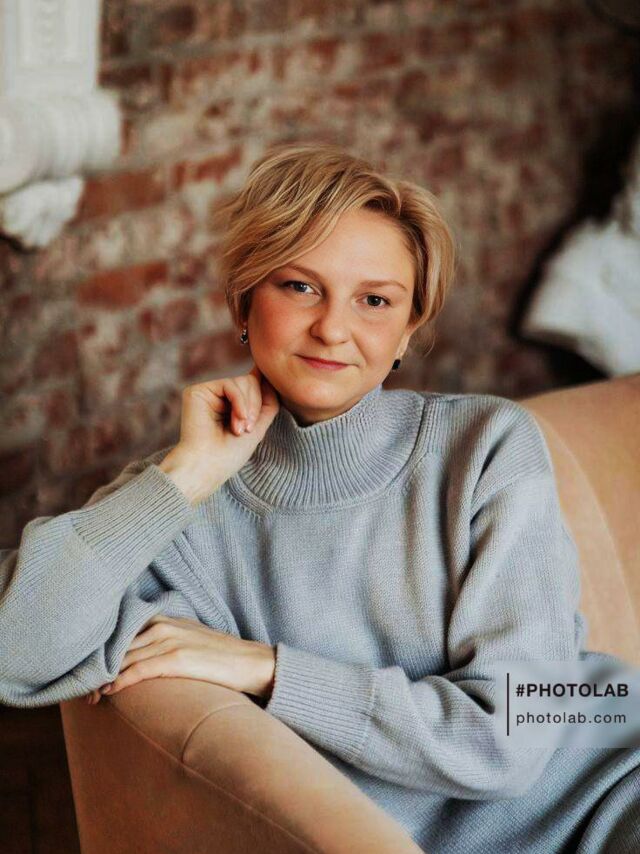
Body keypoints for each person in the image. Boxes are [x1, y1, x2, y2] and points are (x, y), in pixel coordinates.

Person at [1, 143, 638, 853]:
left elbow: (511, 736)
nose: (333, 328)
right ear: (244, 302)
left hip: (609, 794)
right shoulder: (181, 504)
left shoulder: (487, 446)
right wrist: (185, 477)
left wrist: (269, 669)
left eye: (375, 300)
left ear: (409, 329)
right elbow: (12, 650)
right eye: (300, 287)